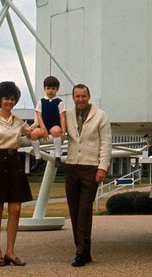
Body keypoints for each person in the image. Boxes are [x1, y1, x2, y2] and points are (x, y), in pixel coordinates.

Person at [0, 81, 42, 266]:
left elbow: (33, 133)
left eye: (12, 99)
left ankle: (10, 251)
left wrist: (46, 119)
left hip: (14, 164)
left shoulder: (18, 121)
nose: (9, 102)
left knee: (16, 209)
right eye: (6, 98)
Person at [65, 83, 112, 267]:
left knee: (85, 209)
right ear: (73, 98)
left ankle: (79, 252)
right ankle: (85, 251)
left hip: (90, 167)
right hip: (71, 166)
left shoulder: (100, 115)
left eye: (83, 96)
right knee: (74, 211)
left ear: (89, 96)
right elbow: (57, 128)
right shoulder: (67, 115)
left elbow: (106, 143)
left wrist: (102, 167)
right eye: (77, 96)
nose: (80, 99)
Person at [32, 75, 67, 170]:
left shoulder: (59, 102)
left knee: (56, 131)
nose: (50, 91)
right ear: (44, 89)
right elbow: (39, 116)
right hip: (44, 126)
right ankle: (38, 158)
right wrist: (42, 128)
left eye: (53, 88)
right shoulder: (41, 102)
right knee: (34, 134)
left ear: (57, 89)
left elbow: (62, 117)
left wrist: (63, 131)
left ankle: (58, 157)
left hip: (54, 126)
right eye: (48, 88)